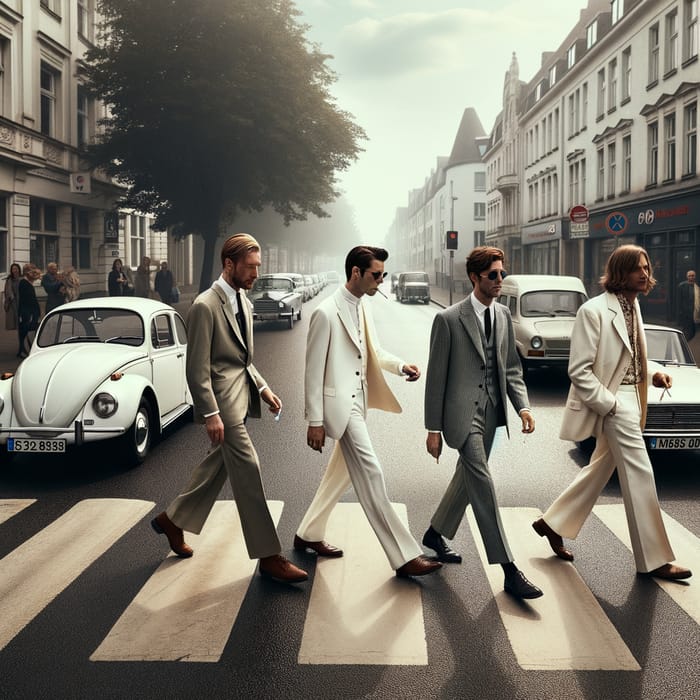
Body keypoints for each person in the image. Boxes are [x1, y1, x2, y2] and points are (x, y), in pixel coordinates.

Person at [151, 233, 308, 584]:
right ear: (229, 265)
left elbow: (243, 358)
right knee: (249, 468)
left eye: (258, 267)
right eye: (250, 267)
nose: (255, 274)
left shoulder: (243, 301)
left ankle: (172, 521)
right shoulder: (205, 306)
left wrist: (263, 388)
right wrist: (210, 413)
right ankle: (269, 556)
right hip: (222, 403)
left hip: (241, 395)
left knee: (218, 467)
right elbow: (197, 368)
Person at [532, 244, 691, 582]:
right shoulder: (593, 311)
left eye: (647, 267)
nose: (646, 274)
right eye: (638, 268)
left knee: (599, 469)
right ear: (620, 272)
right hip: (615, 403)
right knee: (640, 475)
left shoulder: (634, 306)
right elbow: (580, 370)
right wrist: (612, 406)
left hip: (636, 398)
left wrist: (652, 374)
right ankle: (654, 560)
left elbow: (627, 358)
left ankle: (552, 522)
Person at [295, 245, 441, 579]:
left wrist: (401, 365)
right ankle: (404, 556)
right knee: (372, 473)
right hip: (339, 407)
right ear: (356, 273)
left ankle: (307, 533)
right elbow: (312, 371)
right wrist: (314, 421)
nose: (381, 280)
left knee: (339, 475)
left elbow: (372, 351)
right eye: (376, 274)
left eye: (383, 274)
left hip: (359, 403)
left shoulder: (362, 307)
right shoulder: (325, 312)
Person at [422, 245, 542, 600]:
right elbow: (435, 379)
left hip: (492, 413)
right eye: (493, 275)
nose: (500, 280)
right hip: (462, 416)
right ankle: (508, 568)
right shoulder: (448, 319)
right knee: (483, 482)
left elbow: (512, 369)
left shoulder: (504, 315)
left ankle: (435, 533)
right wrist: (433, 429)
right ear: (474, 278)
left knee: (467, 477)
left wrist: (523, 407)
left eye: (502, 273)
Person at [17, 263, 41, 358]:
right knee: (25, 330)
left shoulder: (28, 282)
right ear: (27, 273)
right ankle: (23, 350)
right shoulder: (24, 283)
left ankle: (24, 350)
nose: (34, 274)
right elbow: (27, 300)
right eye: (32, 272)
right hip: (27, 312)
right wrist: (33, 313)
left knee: (27, 330)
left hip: (30, 311)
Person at [676, 269, 696, 340]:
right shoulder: (682, 286)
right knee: (686, 328)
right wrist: (680, 311)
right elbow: (679, 300)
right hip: (685, 310)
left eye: (693, 276)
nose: (691, 277)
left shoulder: (697, 286)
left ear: (695, 276)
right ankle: (683, 342)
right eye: (689, 276)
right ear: (687, 277)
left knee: (692, 330)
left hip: (694, 310)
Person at [4, 262, 21, 333]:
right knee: (13, 314)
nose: (15, 270)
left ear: (19, 270)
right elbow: (7, 289)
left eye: (16, 269)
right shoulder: (9, 279)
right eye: (13, 269)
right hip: (12, 300)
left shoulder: (22, 278)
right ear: (11, 270)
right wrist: (11, 297)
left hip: (21, 298)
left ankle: (19, 327)